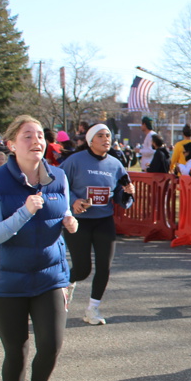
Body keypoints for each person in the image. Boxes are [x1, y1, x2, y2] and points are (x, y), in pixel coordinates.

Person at [0, 115, 78, 381]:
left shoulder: (58, 177)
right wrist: (24, 212)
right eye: (27, 135)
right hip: (6, 279)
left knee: (51, 343)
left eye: (39, 135)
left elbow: (62, 210)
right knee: (17, 349)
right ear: (11, 145)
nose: (36, 141)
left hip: (50, 275)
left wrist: (70, 221)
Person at [61, 124, 134, 325]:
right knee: (82, 269)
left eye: (108, 135)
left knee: (104, 267)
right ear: (90, 140)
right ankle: (64, 288)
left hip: (104, 220)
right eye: (100, 136)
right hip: (79, 221)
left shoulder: (115, 164)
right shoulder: (75, 161)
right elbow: (58, 185)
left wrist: (127, 193)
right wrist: (74, 201)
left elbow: (119, 195)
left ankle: (92, 309)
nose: (106, 139)